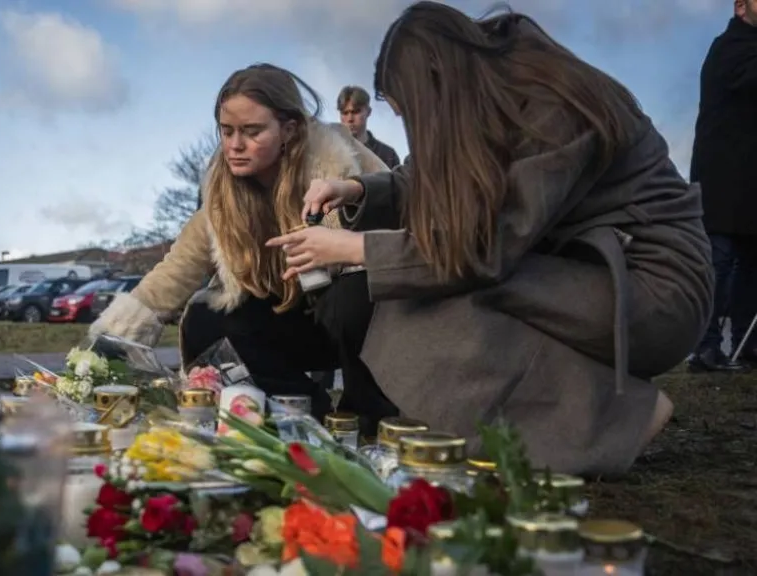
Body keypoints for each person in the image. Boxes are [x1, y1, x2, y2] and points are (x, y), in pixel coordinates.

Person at [267, 2, 713, 476]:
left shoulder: (552, 106)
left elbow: (483, 251)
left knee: (442, 287)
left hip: (654, 291)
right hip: (591, 273)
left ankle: (614, 419)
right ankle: (597, 409)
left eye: (413, 112)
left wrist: (353, 249)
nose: (414, 128)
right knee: (420, 285)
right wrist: (355, 188)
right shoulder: (497, 96)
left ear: (438, 85)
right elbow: (432, 174)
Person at [90, 63, 386, 418]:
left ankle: (368, 421)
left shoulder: (342, 159)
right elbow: (177, 270)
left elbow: (402, 213)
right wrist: (102, 352)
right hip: (288, 323)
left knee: (354, 293)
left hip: (356, 321)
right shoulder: (222, 192)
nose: (234, 145)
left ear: (288, 129)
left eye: (251, 131)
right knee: (204, 314)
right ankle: (299, 412)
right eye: (226, 131)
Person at [687, 0, 757, 372]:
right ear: (741, 7)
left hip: (750, 180)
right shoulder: (729, 47)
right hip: (722, 175)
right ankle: (706, 347)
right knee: (719, 260)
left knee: (751, 263)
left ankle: (748, 344)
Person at [337, 86, 402, 168]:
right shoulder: (331, 152)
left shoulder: (388, 155)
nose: (350, 119)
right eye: (345, 113)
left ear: (368, 112)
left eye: (356, 112)